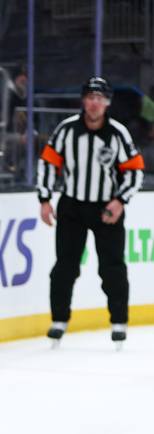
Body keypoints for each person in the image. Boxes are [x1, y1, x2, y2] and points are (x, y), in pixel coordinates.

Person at [38, 77, 145, 345]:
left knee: (112, 268)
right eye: (91, 98)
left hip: (107, 209)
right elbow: (49, 163)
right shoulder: (67, 130)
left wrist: (121, 200)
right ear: (83, 100)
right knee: (65, 267)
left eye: (100, 99)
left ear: (107, 103)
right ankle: (59, 320)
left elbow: (135, 170)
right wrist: (45, 199)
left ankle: (119, 321)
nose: (95, 104)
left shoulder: (118, 133)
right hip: (72, 206)